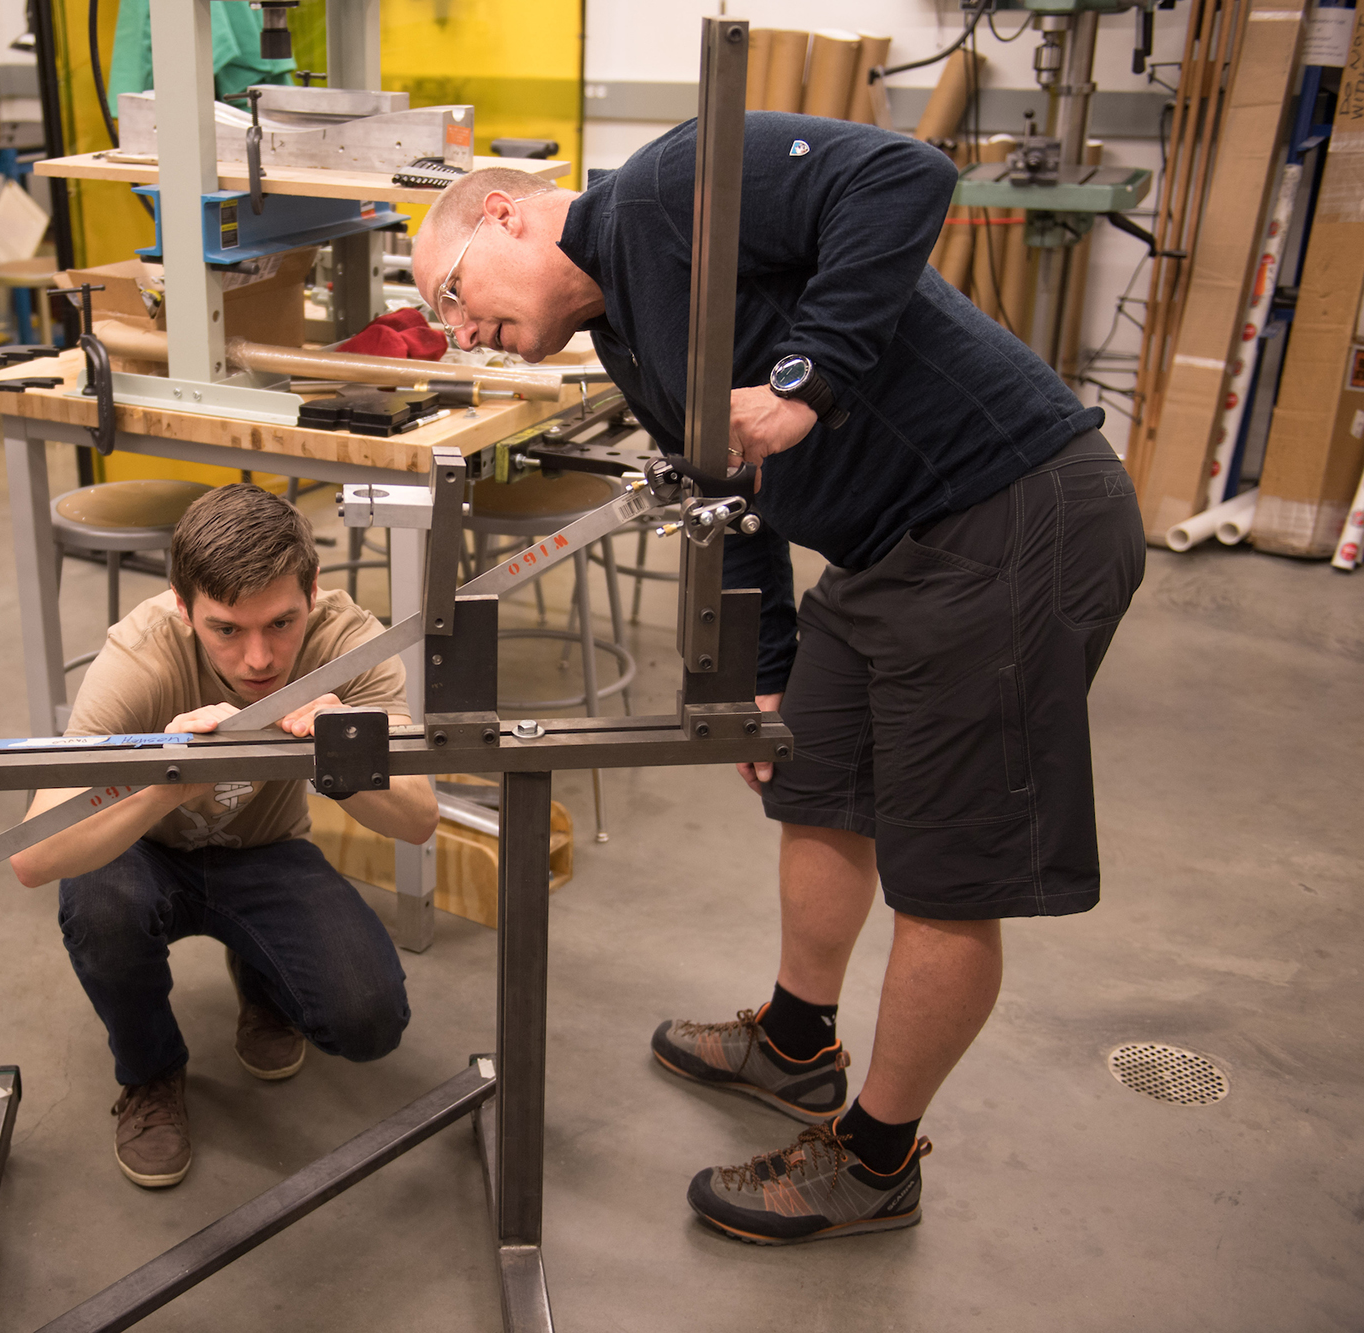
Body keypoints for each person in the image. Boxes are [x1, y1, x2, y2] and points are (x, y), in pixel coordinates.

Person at [410, 112, 1145, 1244]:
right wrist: (762, 679)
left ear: (503, 213)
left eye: (452, 292)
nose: (459, 329)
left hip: (1007, 513)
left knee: (945, 872)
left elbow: (904, 174)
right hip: (888, 549)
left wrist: (805, 380)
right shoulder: (626, 334)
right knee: (814, 784)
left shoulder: (666, 188)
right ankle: (797, 1042)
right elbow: (727, 484)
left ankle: (874, 1159)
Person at [10, 484, 438, 1189]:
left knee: (369, 1020)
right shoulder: (140, 655)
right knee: (99, 901)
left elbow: (418, 817)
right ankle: (151, 1072)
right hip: (147, 855)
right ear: (183, 605)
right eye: (227, 630)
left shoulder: (346, 643)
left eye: (281, 622)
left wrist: (343, 749)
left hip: (268, 851)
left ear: (314, 589)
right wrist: (166, 784)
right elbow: (33, 855)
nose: (261, 658)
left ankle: (264, 974)